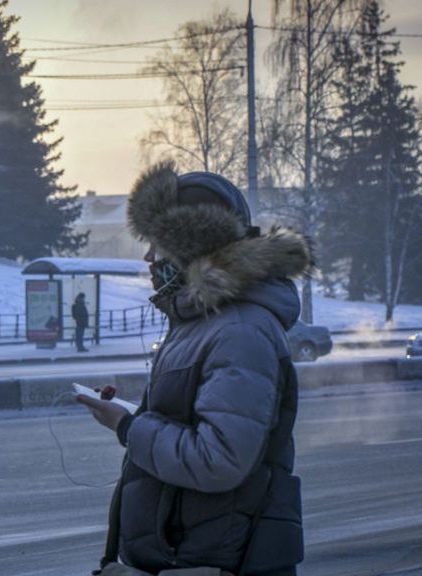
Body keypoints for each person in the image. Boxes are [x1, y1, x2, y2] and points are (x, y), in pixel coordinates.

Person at [77, 161, 309, 576]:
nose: (148, 257)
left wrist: (129, 428)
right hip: (190, 558)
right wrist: (132, 416)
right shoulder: (201, 323)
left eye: (158, 243)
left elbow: (219, 459)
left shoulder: (240, 331)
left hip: (218, 561)